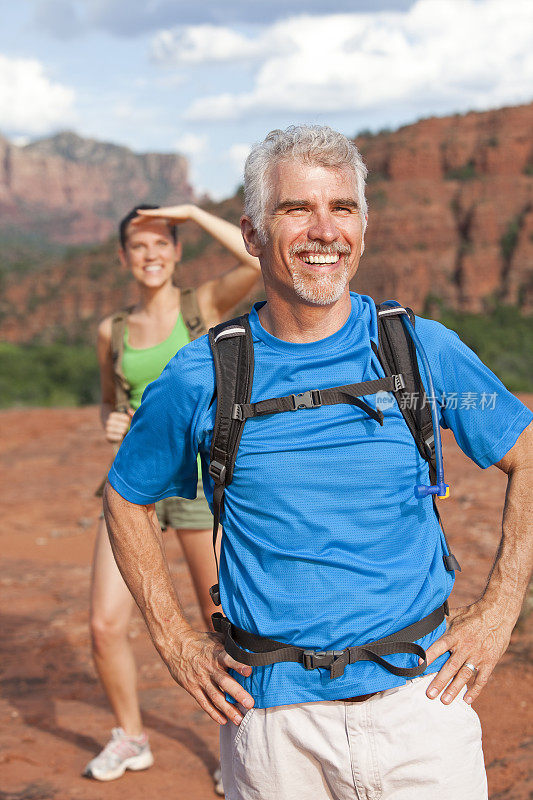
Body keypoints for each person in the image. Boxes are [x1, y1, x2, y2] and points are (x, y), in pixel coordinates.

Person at [102, 126, 533, 800]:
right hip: (272, 726)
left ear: (363, 225)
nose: (322, 230)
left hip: (422, 707)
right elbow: (125, 494)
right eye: (295, 208)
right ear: (251, 234)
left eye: (342, 207)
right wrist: (174, 638)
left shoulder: (419, 351)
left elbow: (526, 452)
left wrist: (502, 605)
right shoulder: (200, 376)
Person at [84, 203, 261, 786]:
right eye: (139, 245)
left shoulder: (200, 308)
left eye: (164, 242)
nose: (152, 254)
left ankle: (237, 745)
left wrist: (189, 211)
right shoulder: (110, 331)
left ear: (177, 251)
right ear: (122, 257)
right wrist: (112, 422)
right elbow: (114, 406)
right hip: (135, 486)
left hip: (197, 486)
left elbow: (255, 258)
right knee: (105, 623)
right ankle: (130, 737)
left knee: (218, 619)